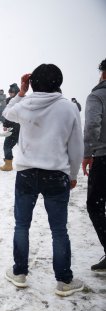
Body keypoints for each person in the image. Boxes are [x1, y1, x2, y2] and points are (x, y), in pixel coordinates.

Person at [3, 64, 85, 297]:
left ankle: (19, 273)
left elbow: (7, 115)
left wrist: (21, 92)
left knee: (22, 225)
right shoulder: (68, 108)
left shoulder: (25, 105)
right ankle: (64, 280)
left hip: (26, 174)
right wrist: (73, 174)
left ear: (33, 82)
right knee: (59, 230)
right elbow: (76, 146)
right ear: (58, 82)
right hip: (56, 174)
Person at [83, 58, 106, 272]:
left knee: (96, 205)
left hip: (103, 157)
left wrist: (87, 153)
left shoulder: (97, 95)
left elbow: (91, 125)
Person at [0, 83, 21, 171]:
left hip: (15, 128)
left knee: (7, 146)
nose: (10, 94)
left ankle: (8, 164)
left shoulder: (13, 101)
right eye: (9, 92)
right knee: (24, 146)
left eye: (11, 92)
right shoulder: (22, 99)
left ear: (16, 92)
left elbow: (9, 115)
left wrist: (6, 124)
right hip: (21, 128)